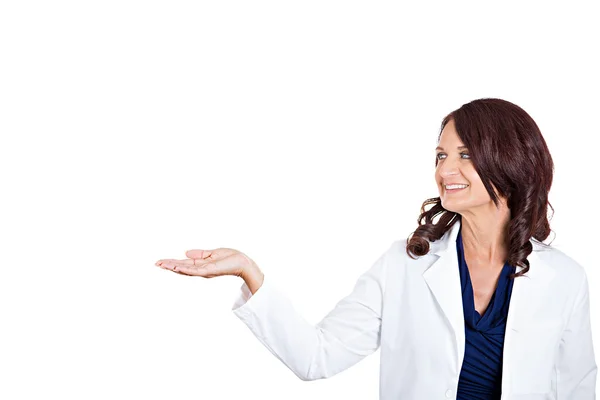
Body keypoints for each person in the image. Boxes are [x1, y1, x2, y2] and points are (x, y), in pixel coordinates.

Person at [155, 98, 597, 399]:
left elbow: (579, 389)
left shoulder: (564, 279)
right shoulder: (404, 264)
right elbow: (317, 356)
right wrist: (249, 271)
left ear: (509, 161)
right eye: (441, 156)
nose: (446, 170)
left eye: (465, 155)